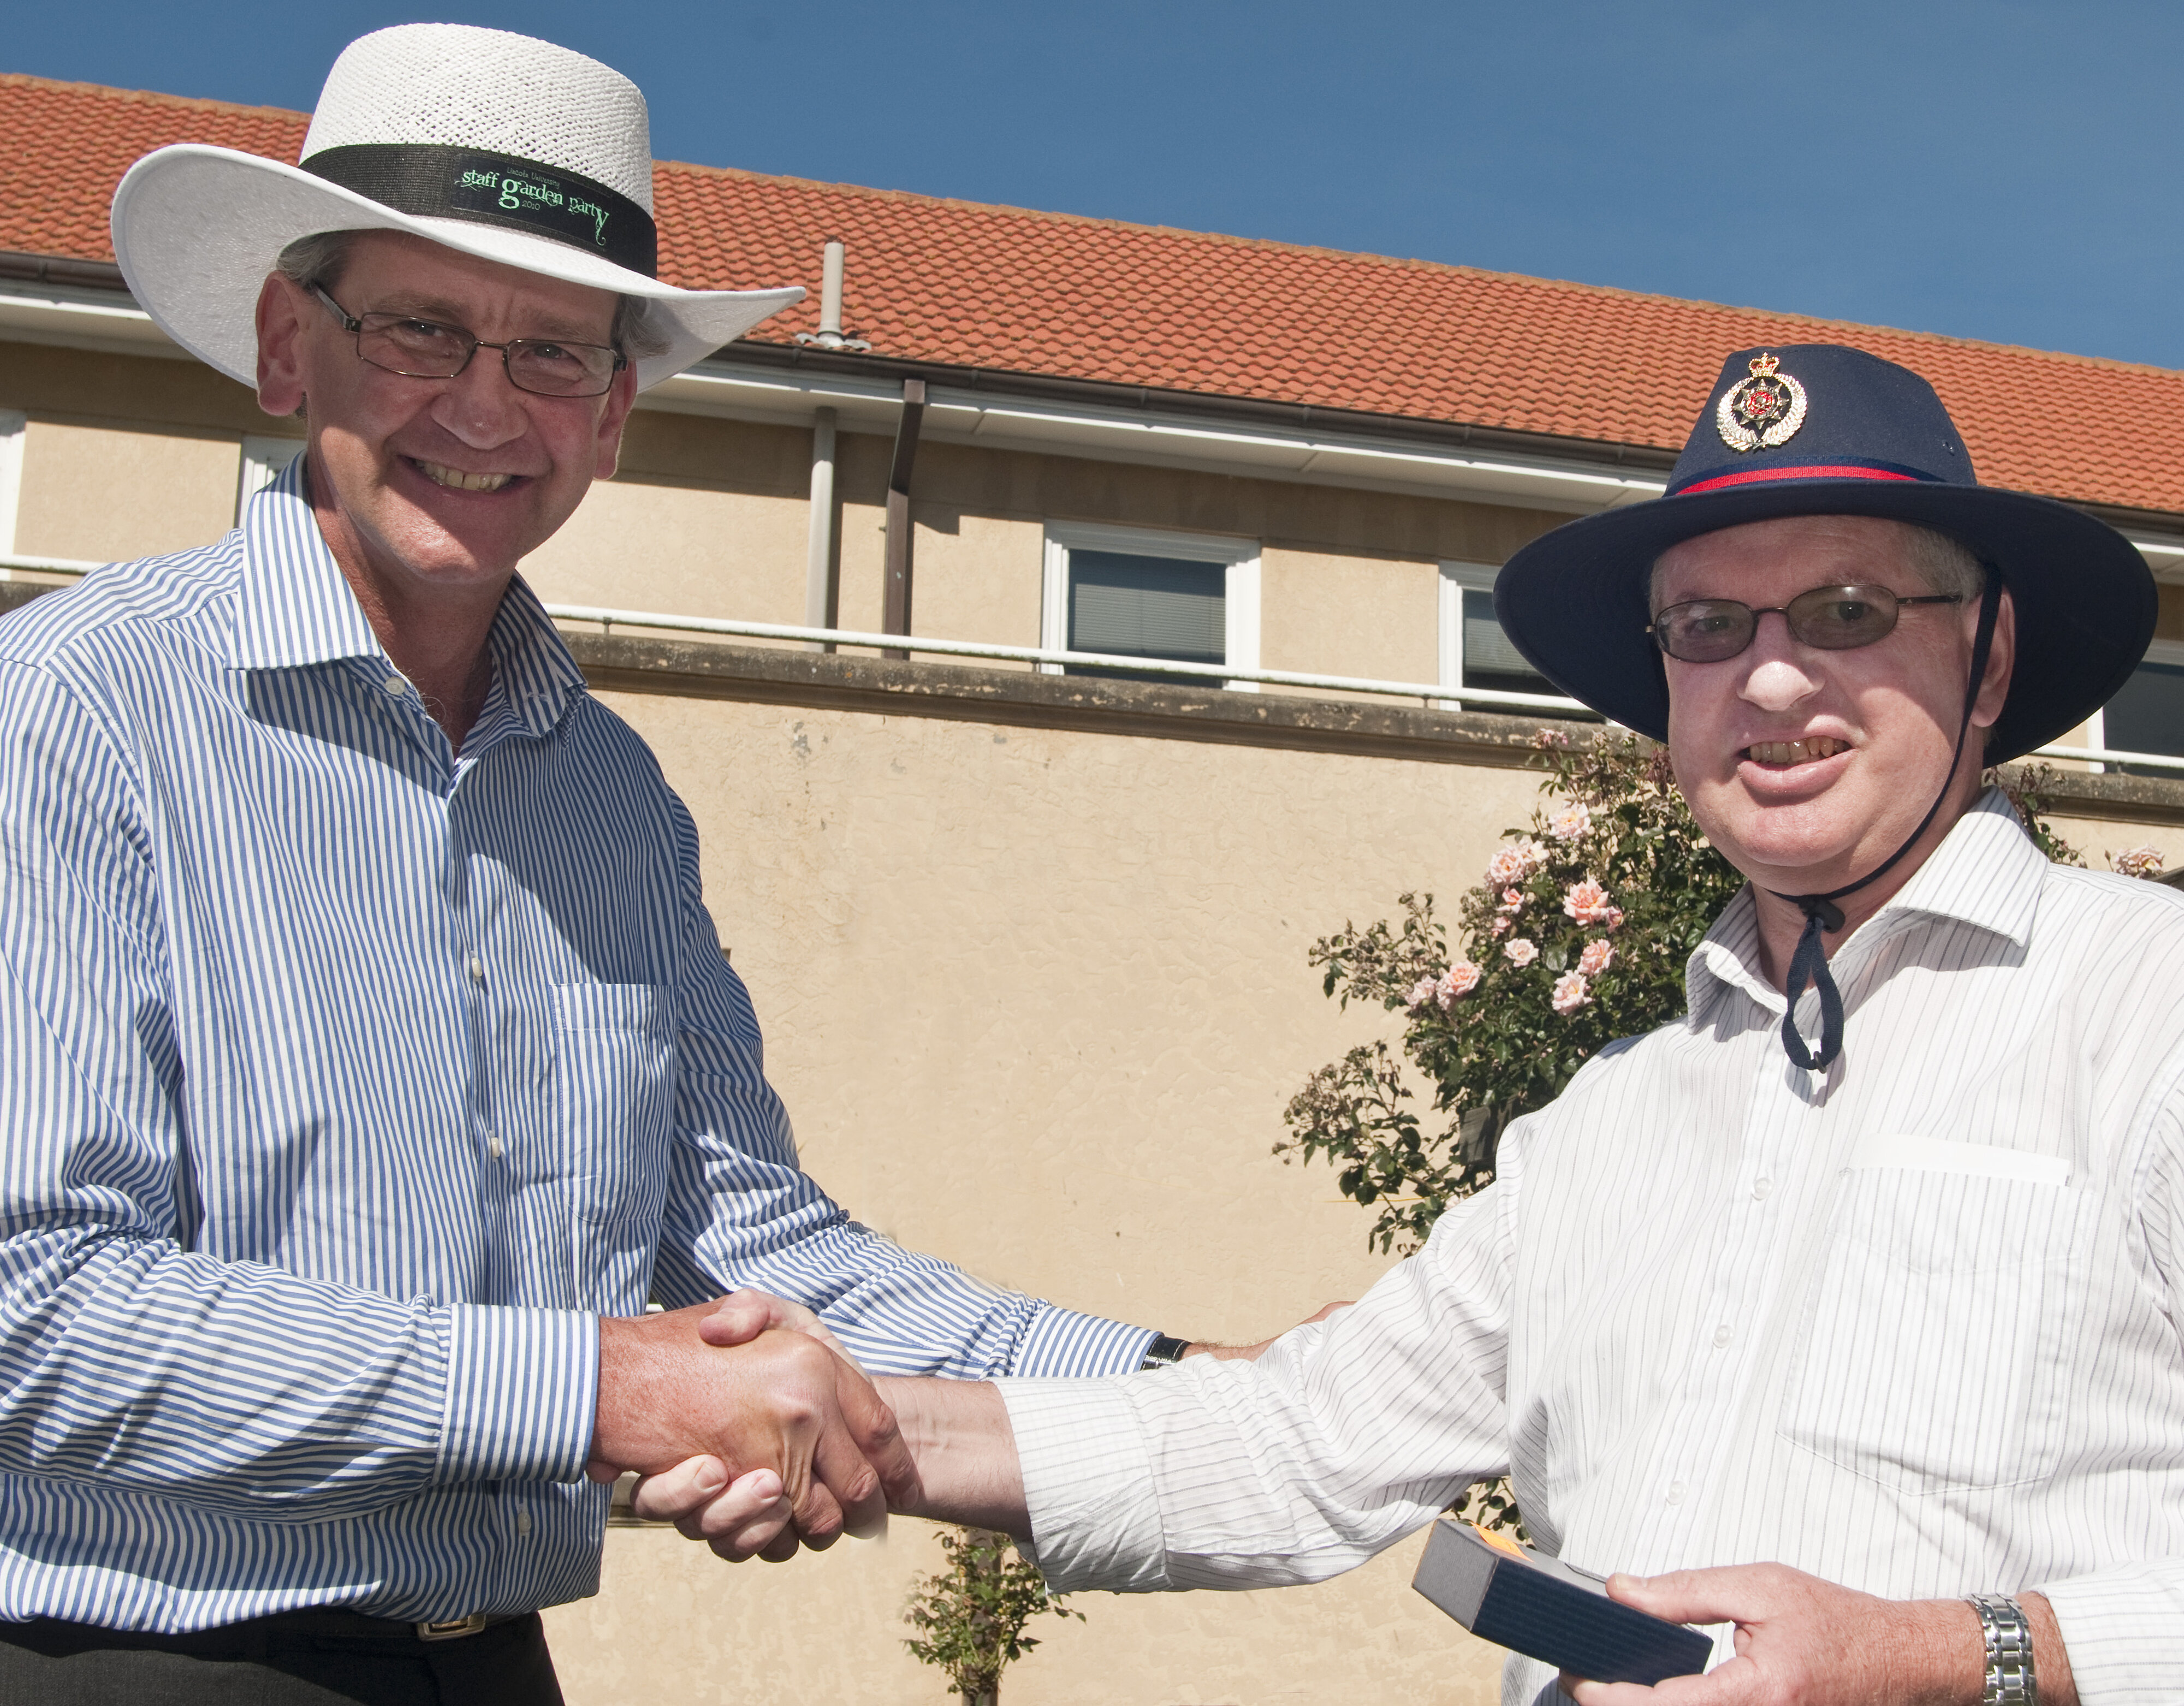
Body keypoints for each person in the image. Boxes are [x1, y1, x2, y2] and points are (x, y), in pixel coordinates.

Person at [652, 345, 2184, 1706]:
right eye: (1708, 625)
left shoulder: (2149, 1011)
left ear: (1986, 658)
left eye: (1849, 610)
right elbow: (1292, 1443)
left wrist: (1947, 1659)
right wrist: (855, 1423)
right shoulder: (1605, 1125)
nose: (1771, 676)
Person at [0, 23, 1230, 1702]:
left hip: (490, 1664)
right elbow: (31, 1309)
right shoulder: (76, 704)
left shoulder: (614, 802)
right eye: (422, 327)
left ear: (618, 412)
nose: (486, 406)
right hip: (126, 1663)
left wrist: (1182, 1389)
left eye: (555, 353)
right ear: (294, 346)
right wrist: (597, 1392)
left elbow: (755, 1255)